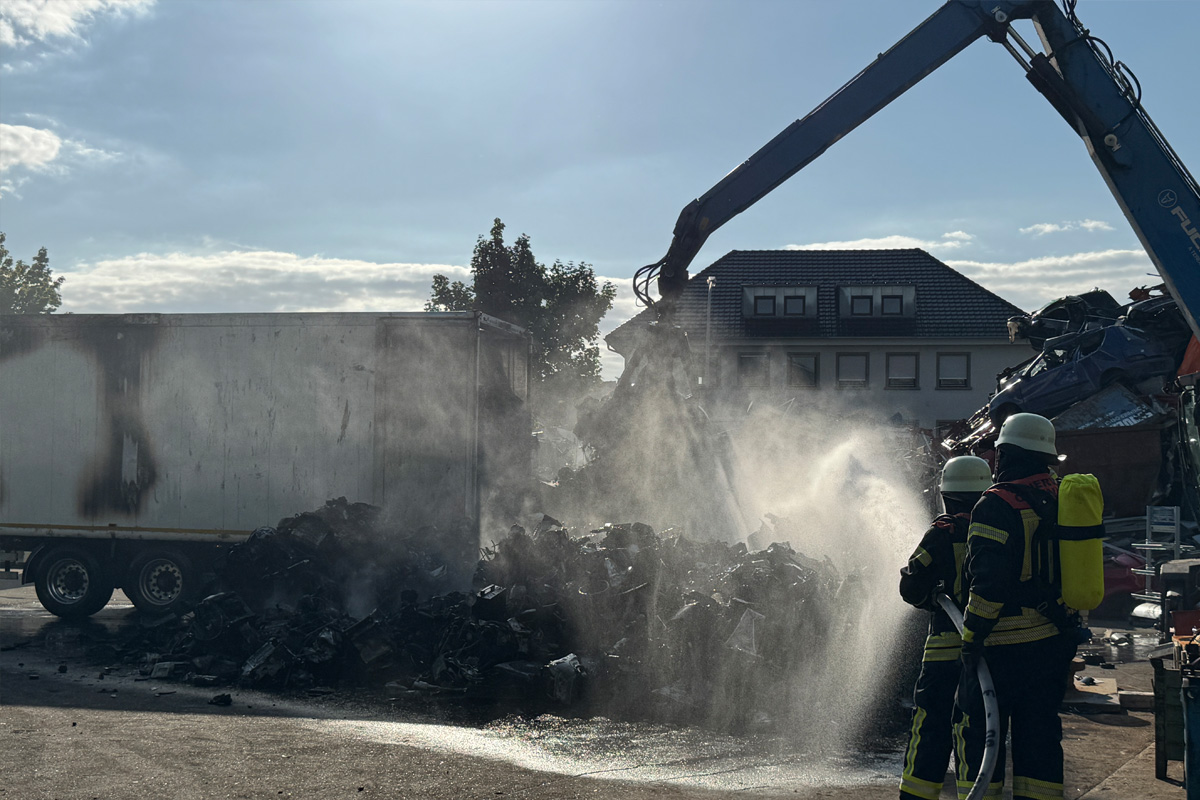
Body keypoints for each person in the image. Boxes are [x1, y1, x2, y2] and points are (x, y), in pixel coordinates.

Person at [953, 413, 1076, 800]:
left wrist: (972, 637)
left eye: (999, 453)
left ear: (1009, 454)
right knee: (1040, 739)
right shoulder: (1065, 497)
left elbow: (988, 584)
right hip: (1054, 642)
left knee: (980, 739)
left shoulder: (996, 503)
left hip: (1003, 649)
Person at [898, 455, 992, 800]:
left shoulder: (942, 533)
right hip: (986, 650)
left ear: (946, 495)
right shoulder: (997, 528)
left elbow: (911, 586)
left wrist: (932, 595)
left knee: (929, 726)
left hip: (942, 652)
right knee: (976, 728)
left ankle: (916, 796)